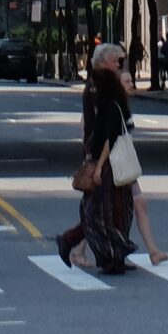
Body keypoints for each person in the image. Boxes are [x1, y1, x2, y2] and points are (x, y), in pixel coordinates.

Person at [57, 42, 137, 273]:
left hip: (113, 154)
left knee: (119, 206)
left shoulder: (109, 86)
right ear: (102, 62)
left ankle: (115, 255)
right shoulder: (96, 87)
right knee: (100, 208)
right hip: (104, 155)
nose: (118, 65)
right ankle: (74, 241)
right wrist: (94, 160)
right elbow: (102, 129)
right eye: (114, 61)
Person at [113, 49, 168, 265]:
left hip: (123, 162)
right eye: (126, 82)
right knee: (103, 210)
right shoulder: (112, 105)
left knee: (131, 206)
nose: (131, 86)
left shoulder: (123, 106)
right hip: (116, 163)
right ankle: (75, 245)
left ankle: (152, 251)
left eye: (131, 81)